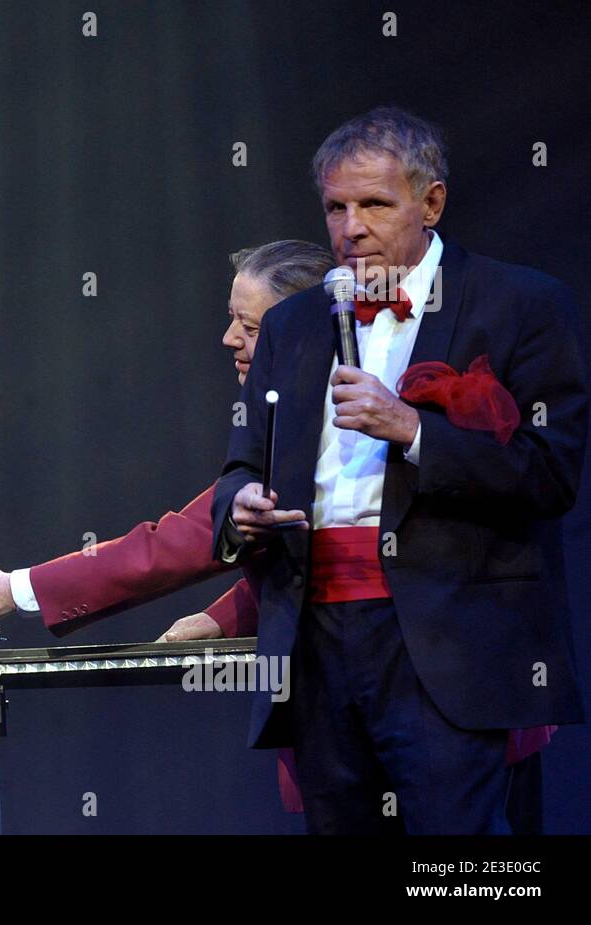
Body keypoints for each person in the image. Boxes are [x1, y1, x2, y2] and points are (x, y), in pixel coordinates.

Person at [214, 107, 585, 834]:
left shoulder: (520, 304)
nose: (351, 227)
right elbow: (236, 467)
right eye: (335, 207)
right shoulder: (293, 324)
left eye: (375, 204)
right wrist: (241, 506)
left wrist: (415, 429)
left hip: (446, 643)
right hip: (317, 643)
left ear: (431, 202)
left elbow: (551, 474)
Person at [0, 240, 331, 643]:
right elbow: (303, 558)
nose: (229, 338)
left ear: (304, 337)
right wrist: (220, 618)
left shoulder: (329, 423)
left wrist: (12, 590)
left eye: (251, 327)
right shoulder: (284, 421)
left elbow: (177, 544)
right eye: (232, 317)